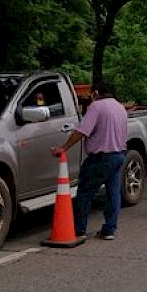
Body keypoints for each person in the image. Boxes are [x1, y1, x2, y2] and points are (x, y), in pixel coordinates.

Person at [51, 82, 127, 241]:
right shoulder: (120, 107)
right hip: (118, 155)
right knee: (113, 194)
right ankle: (109, 229)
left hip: (100, 157)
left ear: (96, 92)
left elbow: (81, 131)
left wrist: (64, 147)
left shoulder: (97, 106)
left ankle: (79, 230)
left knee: (85, 192)